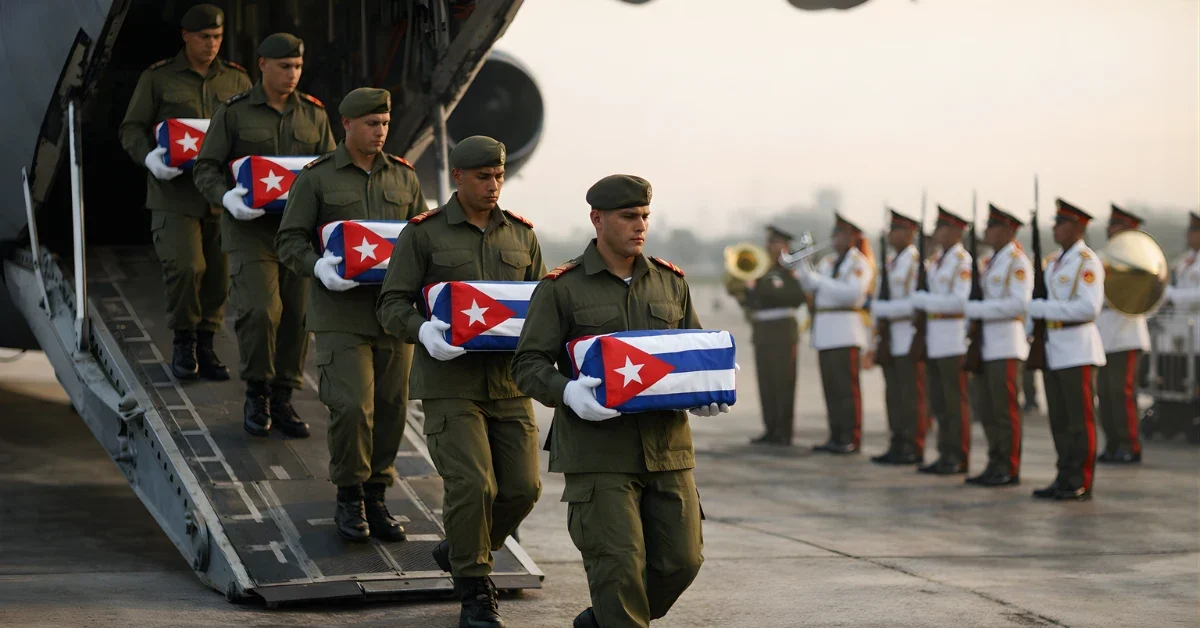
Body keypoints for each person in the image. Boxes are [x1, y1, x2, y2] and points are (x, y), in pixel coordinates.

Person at [511, 174, 709, 628]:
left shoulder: (670, 283)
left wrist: (707, 390)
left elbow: (694, 351)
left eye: (644, 216)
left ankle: (603, 620)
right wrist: (567, 392)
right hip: (597, 452)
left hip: (667, 448)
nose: (640, 226)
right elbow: (526, 364)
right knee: (617, 569)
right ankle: (615, 616)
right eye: (628, 217)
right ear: (597, 219)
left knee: (683, 561)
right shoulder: (562, 287)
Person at [377, 135, 544, 628]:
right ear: (457, 177)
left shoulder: (522, 236)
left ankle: (461, 547)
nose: (493, 186)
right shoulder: (423, 235)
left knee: (523, 489)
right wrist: (423, 330)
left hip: (509, 385)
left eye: (498, 177)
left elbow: (539, 308)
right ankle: (474, 590)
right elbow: (391, 304)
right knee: (473, 485)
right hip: (450, 384)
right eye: (482, 177)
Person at [275, 87, 426, 542]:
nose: (380, 132)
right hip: (340, 315)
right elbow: (289, 241)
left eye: (384, 124)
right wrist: (318, 266)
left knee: (392, 409)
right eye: (370, 124)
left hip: (392, 317)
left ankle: (376, 496)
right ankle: (349, 495)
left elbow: (422, 242)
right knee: (351, 407)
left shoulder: (404, 179)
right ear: (346, 125)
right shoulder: (317, 179)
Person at [193, 33, 335, 439]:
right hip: (250, 231)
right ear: (262, 65)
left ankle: (282, 394)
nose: (292, 75)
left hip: (298, 235)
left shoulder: (314, 115)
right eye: (284, 67)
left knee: (295, 316)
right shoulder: (234, 113)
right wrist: (226, 198)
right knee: (259, 310)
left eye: (297, 67)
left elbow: (328, 171)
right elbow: (206, 167)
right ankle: (256, 391)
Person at [118, 4, 250, 381]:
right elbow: (131, 128)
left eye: (218, 38)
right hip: (174, 195)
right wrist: (149, 159)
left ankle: (206, 344)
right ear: (186, 37)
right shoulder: (158, 79)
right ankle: (183, 341)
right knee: (186, 267)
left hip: (220, 196)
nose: (212, 45)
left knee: (219, 277)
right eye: (205, 38)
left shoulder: (237, 82)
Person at [1028, 199, 1105, 501]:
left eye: (1060, 222)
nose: (1054, 227)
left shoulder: (1087, 262)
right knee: (1059, 420)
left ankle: (1081, 479)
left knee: (1079, 420)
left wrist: (1044, 309)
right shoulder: (1056, 261)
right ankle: (1064, 474)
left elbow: (1088, 308)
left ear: (1076, 227)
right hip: (1054, 349)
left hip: (1077, 349)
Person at [962, 205, 1033, 487]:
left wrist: (979, 310)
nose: (987, 231)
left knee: (1004, 410)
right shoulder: (990, 261)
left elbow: (1019, 303)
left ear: (1008, 230)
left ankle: (1009, 466)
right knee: (986, 408)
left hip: (1006, 342)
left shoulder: (1017, 261)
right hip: (986, 343)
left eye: (992, 226)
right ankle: (995, 461)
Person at [796, 214, 873, 454]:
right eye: (834, 234)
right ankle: (836, 434)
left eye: (840, 234)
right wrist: (802, 261)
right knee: (831, 389)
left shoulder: (859, 263)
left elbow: (853, 293)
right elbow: (809, 284)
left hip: (846, 331)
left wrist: (819, 281)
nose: (835, 239)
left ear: (852, 237)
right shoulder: (829, 262)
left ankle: (852, 437)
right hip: (826, 332)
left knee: (847, 390)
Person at [911, 206, 973, 475]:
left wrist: (926, 302)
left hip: (952, 338)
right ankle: (944, 452)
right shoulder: (936, 260)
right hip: (935, 339)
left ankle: (958, 456)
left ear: (956, 231)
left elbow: (960, 301)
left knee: (953, 402)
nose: (937, 233)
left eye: (941, 227)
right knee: (939, 402)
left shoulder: (962, 262)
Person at [869, 209, 929, 465]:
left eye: (896, 230)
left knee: (910, 397)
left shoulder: (917, 263)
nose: (891, 235)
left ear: (909, 234)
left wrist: (884, 310)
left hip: (908, 336)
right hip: (891, 337)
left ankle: (913, 446)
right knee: (893, 395)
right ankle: (897, 441)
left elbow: (915, 303)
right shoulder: (891, 263)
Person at [1096, 205, 1150, 464]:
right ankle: (1114, 443)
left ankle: (1130, 444)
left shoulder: (1139, 259)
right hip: (1104, 334)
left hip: (1127, 335)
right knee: (1105, 394)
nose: (1110, 229)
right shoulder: (1101, 256)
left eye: (1115, 225)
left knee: (1121, 392)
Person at [743, 226, 806, 445]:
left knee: (783, 382)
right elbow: (751, 302)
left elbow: (796, 297)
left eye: (777, 244)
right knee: (766, 382)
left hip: (782, 330)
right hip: (763, 331)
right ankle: (770, 428)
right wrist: (750, 289)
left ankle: (783, 431)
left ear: (786, 247)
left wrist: (764, 292)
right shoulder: (759, 271)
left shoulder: (792, 270)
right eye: (770, 244)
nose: (772, 248)